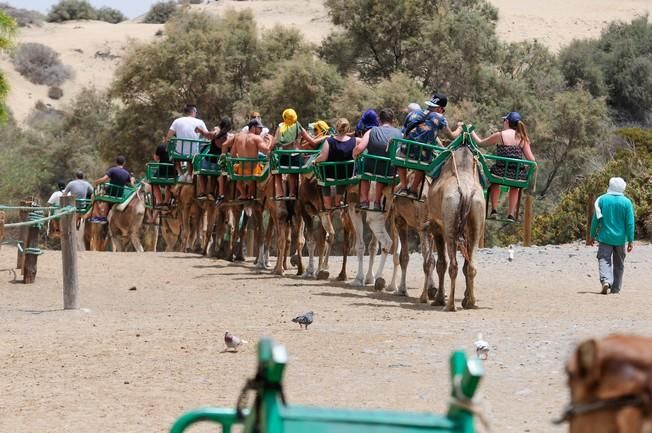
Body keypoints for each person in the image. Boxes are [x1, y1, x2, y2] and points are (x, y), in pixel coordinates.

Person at [471, 111, 536, 221]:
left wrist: (471, 131)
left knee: (495, 181)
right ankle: (510, 214)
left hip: (500, 172)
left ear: (507, 122)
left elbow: (480, 143)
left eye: (504, 120)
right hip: (516, 174)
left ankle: (494, 210)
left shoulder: (500, 135)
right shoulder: (523, 138)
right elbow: (532, 160)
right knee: (515, 186)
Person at [397, 93, 463, 199]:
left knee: (399, 159)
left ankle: (404, 187)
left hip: (406, 151)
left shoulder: (413, 114)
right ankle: (413, 190)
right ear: (440, 109)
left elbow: (405, 131)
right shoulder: (440, 118)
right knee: (423, 162)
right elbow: (452, 136)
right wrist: (460, 128)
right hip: (423, 156)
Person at [590, 177, 635, 295]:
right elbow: (630, 223)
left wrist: (592, 235)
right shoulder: (627, 202)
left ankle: (606, 281)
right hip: (620, 239)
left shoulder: (602, 200)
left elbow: (595, 220)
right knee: (619, 263)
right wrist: (630, 240)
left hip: (605, 237)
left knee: (604, 259)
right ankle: (616, 288)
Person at [352, 108, 403, 210]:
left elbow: (360, 148)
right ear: (392, 120)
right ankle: (377, 202)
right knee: (381, 174)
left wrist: (354, 154)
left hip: (371, 168)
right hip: (390, 170)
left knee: (363, 170)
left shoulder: (371, 131)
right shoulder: (399, 134)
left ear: (379, 120)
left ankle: (364, 200)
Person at [271, 108, 325, 199]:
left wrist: (270, 149)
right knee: (293, 171)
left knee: (276, 171)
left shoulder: (281, 127)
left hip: (284, 158)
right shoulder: (298, 127)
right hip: (297, 158)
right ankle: (292, 193)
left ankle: (279, 193)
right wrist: (325, 137)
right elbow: (313, 142)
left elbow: (275, 142)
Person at [313, 118, 360, 210]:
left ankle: (327, 204)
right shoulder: (355, 141)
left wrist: (315, 160)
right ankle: (338, 202)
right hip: (347, 174)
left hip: (330, 174)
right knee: (342, 178)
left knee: (324, 180)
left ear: (336, 128)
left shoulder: (329, 141)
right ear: (348, 129)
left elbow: (323, 157)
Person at [224, 118, 273, 200]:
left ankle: (243, 194)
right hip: (253, 171)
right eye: (259, 128)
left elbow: (232, 154)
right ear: (253, 128)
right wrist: (270, 141)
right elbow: (266, 150)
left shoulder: (238, 137)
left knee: (239, 178)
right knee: (265, 170)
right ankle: (252, 195)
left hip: (240, 171)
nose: (261, 131)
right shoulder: (257, 138)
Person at [164, 104, 210, 182]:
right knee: (191, 155)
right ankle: (189, 175)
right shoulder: (200, 122)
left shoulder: (177, 121)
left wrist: (168, 145)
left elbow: (169, 136)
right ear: (193, 111)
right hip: (194, 152)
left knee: (173, 152)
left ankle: (180, 174)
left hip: (179, 152)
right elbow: (208, 136)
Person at [197, 116, 232, 203]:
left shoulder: (215, 134)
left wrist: (199, 130)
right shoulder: (229, 137)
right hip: (220, 164)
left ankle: (203, 192)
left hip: (209, 162)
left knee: (201, 173)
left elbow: (206, 134)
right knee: (214, 175)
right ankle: (212, 192)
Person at [151, 143, 174, 208]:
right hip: (173, 172)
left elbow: (156, 158)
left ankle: (160, 202)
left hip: (163, 170)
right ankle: (166, 202)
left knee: (154, 182)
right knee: (169, 185)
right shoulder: (176, 146)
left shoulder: (161, 146)